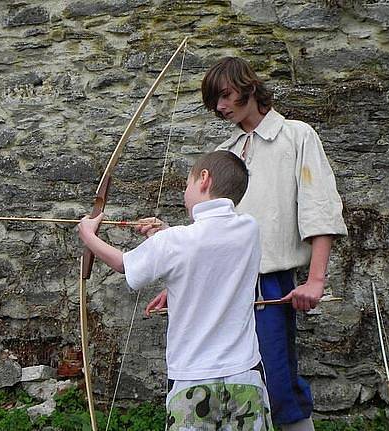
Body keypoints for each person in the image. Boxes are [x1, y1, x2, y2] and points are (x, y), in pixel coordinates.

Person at [142, 57, 348, 431]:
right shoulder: (227, 152)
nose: (221, 107)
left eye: (225, 95)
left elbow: (320, 210)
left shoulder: (296, 136)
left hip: (270, 284)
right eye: (214, 101)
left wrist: (315, 280)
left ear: (248, 87)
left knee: (279, 386)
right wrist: (182, 288)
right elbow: (211, 236)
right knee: (232, 390)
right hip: (222, 287)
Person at [78, 150, 273, 430]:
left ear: (204, 179)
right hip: (245, 376)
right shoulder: (249, 229)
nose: (184, 193)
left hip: (192, 381)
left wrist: (89, 235)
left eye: (187, 183)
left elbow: (125, 264)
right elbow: (208, 253)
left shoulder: (174, 242)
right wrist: (166, 232)